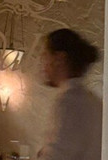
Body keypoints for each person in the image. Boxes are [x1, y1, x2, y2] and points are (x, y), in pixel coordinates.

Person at [38, 29, 102, 160]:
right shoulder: (92, 100)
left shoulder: (70, 101)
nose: (43, 65)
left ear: (59, 59)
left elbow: (57, 155)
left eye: (45, 56)